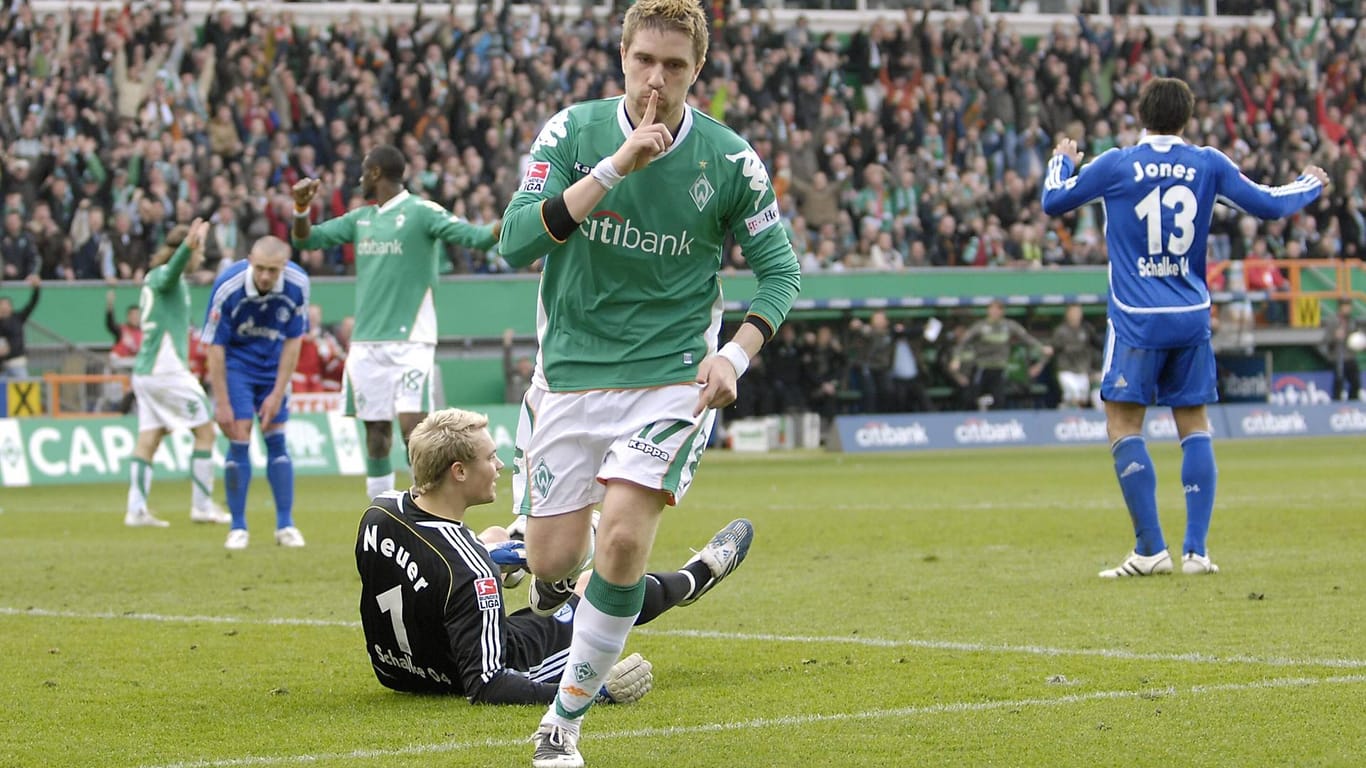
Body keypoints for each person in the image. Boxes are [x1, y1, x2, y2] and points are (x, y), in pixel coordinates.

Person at [497, 0, 801, 763]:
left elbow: (781, 271)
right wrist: (616, 166)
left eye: (674, 65)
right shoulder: (572, 132)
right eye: (644, 61)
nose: (656, 79)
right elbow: (514, 240)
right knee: (550, 560)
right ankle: (586, 548)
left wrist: (733, 355)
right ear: (622, 56)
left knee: (626, 541)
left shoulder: (730, 161)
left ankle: (561, 728)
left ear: (697, 70)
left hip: (672, 379)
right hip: (569, 375)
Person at [1042, 77, 1329, 578]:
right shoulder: (1208, 163)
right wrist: (1310, 182)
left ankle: (1151, 549)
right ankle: (1197, 551)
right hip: (1192, 315)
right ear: (1187, 118)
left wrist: (1062, 159)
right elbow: (1268, 205)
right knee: (1193, 424)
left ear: (1140, 114)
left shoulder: (1116, 163)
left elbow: (1053, 200)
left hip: (1136, 319)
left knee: (1124, 425)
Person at [356, 407, 751, 705]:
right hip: (472, 670)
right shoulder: (470, 570)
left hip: (396, 671)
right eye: (490, 457)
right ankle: (697, 576)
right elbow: (487, 685)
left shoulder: (379, 510)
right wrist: (590, 693)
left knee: (492, 537)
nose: (498, 466)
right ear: (458, 472)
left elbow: (430, 570)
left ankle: (528, 554)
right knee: (594, 586)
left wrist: (488, 558)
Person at [290, 144, 501, 501]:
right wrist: (300, 208)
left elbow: (476, 237)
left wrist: (515, 216)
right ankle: (381, 510)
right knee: (375, 434)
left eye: (362, 171)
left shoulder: (421, 212)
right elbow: (307, 238)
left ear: (374, 173)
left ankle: (423, 508)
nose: (359, 179)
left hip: (411, 342)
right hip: (367, 344)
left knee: (414, 431)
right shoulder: (361, 219)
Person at [202, 236, 310, 550]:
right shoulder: (227, 286)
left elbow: (294, 341)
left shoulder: (298, 283)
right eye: (260, 268)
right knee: (239, 435)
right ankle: (238, 527)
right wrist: (221, 402)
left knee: (277, 436)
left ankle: (285, 525)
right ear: (249, 259)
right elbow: (215, 347)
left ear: (284, 266)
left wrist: (277, 393)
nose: (265, 277)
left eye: (273, 271)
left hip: (274, 364)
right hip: (237, 366)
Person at [123, 221, 229, 528]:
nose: (199, 260)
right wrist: (189, 245)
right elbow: (172, 270)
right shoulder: (165, 277)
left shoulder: (159, 280)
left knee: (149, 438)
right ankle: (202, 506)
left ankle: (136, 510)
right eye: (198, 253)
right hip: (165, 370)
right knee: (205, 431)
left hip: (147, 372)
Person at [948, 299, 1051, 411]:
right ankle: (970, 422)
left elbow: (1026, 337)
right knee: (971, 397)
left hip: (999, 368)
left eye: (998, 309)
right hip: (982, 367)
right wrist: (956, 358)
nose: (995, 312)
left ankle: (996, 424)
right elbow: (963, 342)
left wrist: (1041, 347)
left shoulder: (1008, 325)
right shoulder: (980, 326)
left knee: (999, 400)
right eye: (993, 308)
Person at [1046, 304, 1100, 409]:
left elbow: (1097, 346)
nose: (1076, 315)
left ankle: (1074, 419)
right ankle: (1064, 418)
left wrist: (1095, 369)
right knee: (1071, 396)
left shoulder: (1087, 329)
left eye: (1078, 313)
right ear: (1068, 314)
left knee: (1082, 400)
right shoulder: (1061, 331)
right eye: (1073, 313)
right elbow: (1053, 348)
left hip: (1082, 369)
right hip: (1066, 370)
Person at [0, 273, 40, 380]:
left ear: (10, 307)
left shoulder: (17, 318)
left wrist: (36, 289)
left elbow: (32, 303)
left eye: (6, 305)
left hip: (17, 363)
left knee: (23, 387)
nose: (4, 308)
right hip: (2, 366)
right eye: (1, 305)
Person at [1321, 300, 1361, 402]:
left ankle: (1353, 404)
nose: (1347, 309)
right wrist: (1335, 337)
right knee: (1339, 382)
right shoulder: (1333, 321)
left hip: (1350, 357)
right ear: (1340, 307)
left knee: (1355, 383)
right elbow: (1326, 341)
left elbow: (1356, 338)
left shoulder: (1352, 321)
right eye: (1345, 306)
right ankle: (1336, 405)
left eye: (1349, 306)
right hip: (1338, 357)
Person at [503, 327, 534, 405]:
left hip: (531, 408)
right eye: (522, 365)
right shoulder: (512, 376)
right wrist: (507, 344)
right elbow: (507, 363)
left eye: (526, 365)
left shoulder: (535, 377)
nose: (524, 367)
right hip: (513, 408)